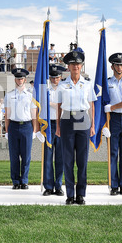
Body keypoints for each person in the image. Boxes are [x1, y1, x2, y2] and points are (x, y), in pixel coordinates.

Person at [56, 51, 96, 205]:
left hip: (82, 118)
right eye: (73, 64)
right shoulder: (62, 84)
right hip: (66, 118)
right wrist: (58, 126)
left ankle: (80, 194)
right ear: (69, 66)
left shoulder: (87, 84)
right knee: (67, 159)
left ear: (81, 66)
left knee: (82, 160)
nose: (76, 66)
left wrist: (92, 125)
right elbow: (59, 106)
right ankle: (70, 195)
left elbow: (91, 105)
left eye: (78, 64)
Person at [104, 53, 122, 196]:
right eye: (117, 64)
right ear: (112, 66)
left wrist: (113, 107)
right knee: (113, 153)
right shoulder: (107, 82)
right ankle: (113, 185)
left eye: (121, 64)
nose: (119, 67)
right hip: (112, 120)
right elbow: (102, 102)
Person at [4, 68, 37, 190]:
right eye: (17, 78)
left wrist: (34, 130)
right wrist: (6, 130)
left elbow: (33, 114)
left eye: (21, 78)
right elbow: (7, 114)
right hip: (13, 126)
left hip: (26, 126)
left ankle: (24, 180)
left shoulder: (30, 95)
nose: (19, 80)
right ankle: (15, 181)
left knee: (26, 156)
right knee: (14, 156)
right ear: (15, 80)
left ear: (25, 79)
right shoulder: (9, 95)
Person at [42, 64, 66, 196]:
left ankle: (59, 186)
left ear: (61, 77)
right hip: (49, 124)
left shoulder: (65, 89)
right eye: (52, 77)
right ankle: (48, 186)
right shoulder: (45, 90)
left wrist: (54, 104)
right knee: (48, 157)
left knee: (60, 157)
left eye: (57, 78)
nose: (55, 80)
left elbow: (64, 105)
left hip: (62, 124)